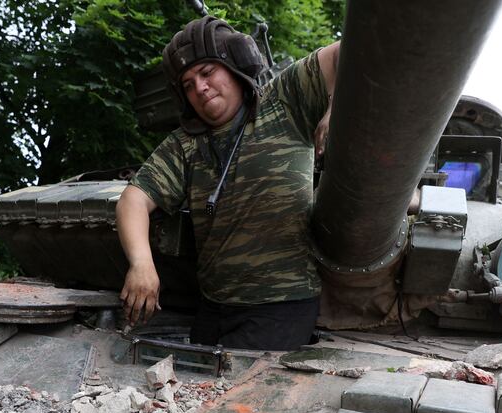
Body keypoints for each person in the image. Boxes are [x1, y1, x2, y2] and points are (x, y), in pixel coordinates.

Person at [116, 16, 339, 350]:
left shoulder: (284, 100)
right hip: (213, 305)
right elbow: (133, 199)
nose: (200, 88)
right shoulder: (187, 143)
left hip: (281, 304)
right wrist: (142, 264)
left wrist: (340, 105)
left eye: (207, 72)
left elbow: (356, 50)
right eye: (188, 85)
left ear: (234, 66)